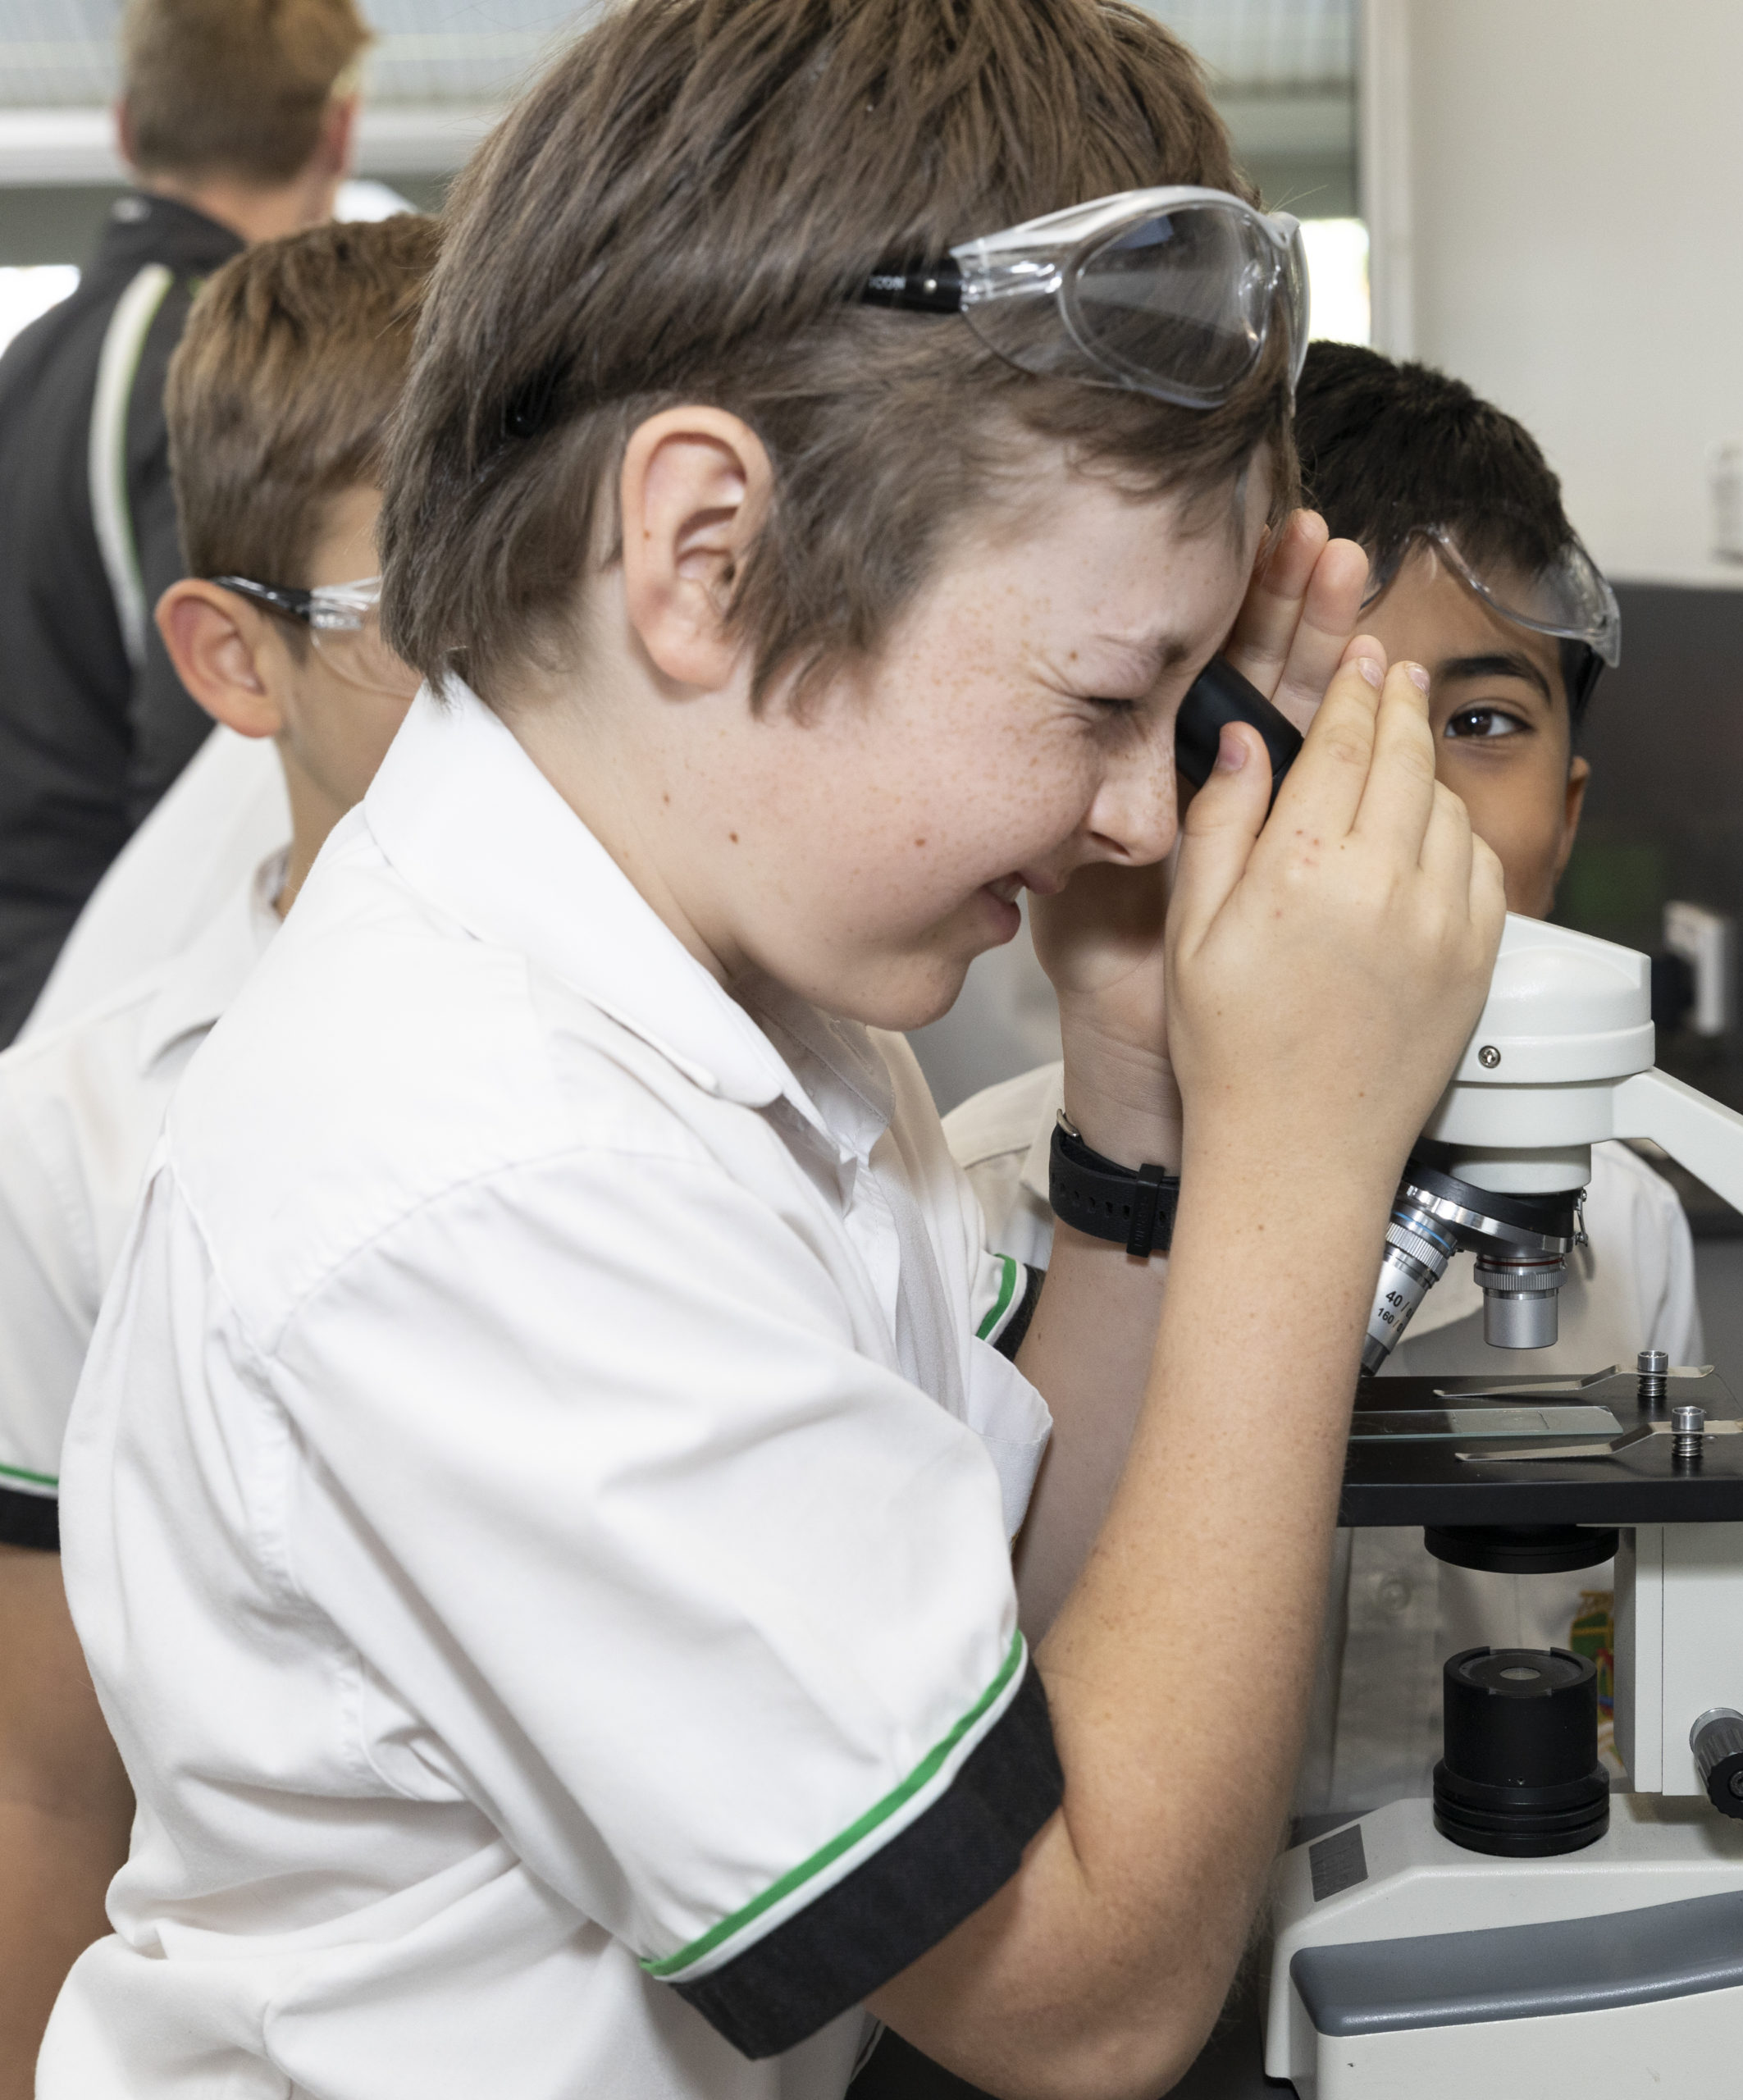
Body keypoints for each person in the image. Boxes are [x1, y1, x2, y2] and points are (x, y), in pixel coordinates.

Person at [43, 3, 1504, 2094]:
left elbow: (991, 1673)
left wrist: (1142, 1109)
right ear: (706, 554)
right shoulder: (485, 1166)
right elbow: (1073, 1988)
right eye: (1104, 698)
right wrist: (1304, 1157)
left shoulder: (730, 987)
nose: (1140, 814)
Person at [944, 342, 1704, 1810]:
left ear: (1568, 817)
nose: (1394, 805)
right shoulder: (972, 1212)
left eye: (1479, 725)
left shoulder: (1625, 1232)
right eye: (1309, 728)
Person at [0, 215, 432, 2100]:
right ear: (236, 658)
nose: (527, 677)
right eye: (429, 606)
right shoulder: (80, 1141)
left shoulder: (786, 1046)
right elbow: (45, 1780)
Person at [0, 0, 370, 1046]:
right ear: (337, 132)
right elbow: (214, 753)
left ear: (126, 127)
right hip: (122, 1010)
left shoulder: (30, 359)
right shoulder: (207, 365)